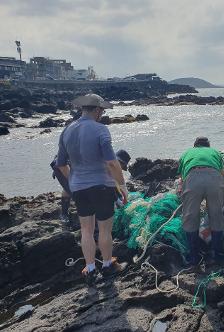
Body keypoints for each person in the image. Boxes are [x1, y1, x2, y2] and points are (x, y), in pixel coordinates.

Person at [56, 93, 128, 286]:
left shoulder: (67, 131)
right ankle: (107, 265)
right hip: (101, 185)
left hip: (79, 187)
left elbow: (61, 165)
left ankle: (89, 269)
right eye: (102, 110)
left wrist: (74, 182)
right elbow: (112, 163)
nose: (102, 113)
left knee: (86, 230)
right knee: (104, 229)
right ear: (96, 110)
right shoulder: (101, 130)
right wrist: (122, 186)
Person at [178, 137, 224, 266]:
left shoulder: (186, 153)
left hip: (192, 178)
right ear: (208, 146)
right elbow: (222, 174)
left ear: (195, 146)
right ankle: (217, 255)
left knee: (190, 217)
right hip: (214, 178)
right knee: (216, 216)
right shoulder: (215, 152)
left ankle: (194, 257)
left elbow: (182, 179)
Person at [50, 149, 132, 223]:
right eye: (122, 167)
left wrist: (119, 198)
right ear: (118, 162)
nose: (120, 169)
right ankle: (63, 214)